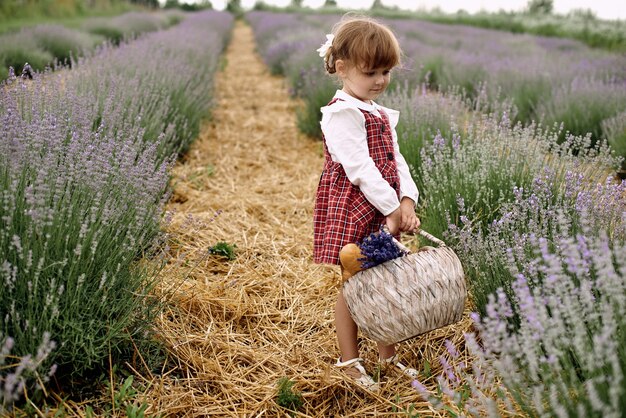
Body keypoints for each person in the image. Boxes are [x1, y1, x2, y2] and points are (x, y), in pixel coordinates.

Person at [313, 15, 421, 392]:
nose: (380, 81)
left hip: (385, 206)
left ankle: (387, 356)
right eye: (371, 72)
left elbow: (396, 159)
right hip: (358, 207)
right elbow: (359, 167)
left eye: (386, 72)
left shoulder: (376, 111)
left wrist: (407, 198)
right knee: (355, 283)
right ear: (342, 68)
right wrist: (392, 207)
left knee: (384, 282)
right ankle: (348, 360)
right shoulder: (341, 113)